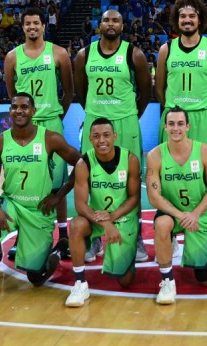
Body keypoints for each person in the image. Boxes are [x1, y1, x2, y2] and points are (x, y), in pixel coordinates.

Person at [0, 93, 82, 298]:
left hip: (39, 210)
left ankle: (53, 252)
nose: (18, 110)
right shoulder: (0, 142)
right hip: (11, 205)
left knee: (36, 278)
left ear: (33, 111)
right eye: (14, 107)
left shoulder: (50, 138)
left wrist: (59, 194)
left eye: (24, 107)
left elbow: (82, 164)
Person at [155, 0, 207, 265]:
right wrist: (172, 115)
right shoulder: (167, 49)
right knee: (169, 177)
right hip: (175, 120)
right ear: (176, 21)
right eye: (182, 17)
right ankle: (172, 234)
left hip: (205, 119)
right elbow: (160, 89)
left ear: (201, 19)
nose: (187, 20)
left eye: (192, 16)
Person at [74, 9, 152, 263]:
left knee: (131, 181)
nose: (111, 24)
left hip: (125, 123)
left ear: (123, 25)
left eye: (116, 20)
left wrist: (129, 116)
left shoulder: (134, 54)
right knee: (91, 180)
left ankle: (136, 237)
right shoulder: (84, 55)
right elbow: (80, 91)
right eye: (106, 20)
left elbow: (146, 92)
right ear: (99, 25)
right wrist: (97, 113)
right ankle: (94, 237)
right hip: (95, 123)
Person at [4, 7, 74, 260]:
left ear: (44, 26)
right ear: (22, 27)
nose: (32, 27)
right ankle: (23, 236)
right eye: (27, 23)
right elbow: (14, 95)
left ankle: (63, 236)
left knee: (57, 182)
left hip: (52, 122)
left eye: (36, 23)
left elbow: (69, 91)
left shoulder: (58, 53)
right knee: (27, 185)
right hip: (25, 127)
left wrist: (55, 116)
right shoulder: (12, 57)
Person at [146, 107, 207, 304]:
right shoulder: (155, 155)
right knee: (162, 224)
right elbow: (154, 197)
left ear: (188, 126)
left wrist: (195, 214)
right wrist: (182, 216)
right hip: (172, 212)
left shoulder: (204, 151)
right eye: (171, 124)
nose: (176, 128)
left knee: (205, 279)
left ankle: (200, 245)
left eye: (180, 124)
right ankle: (167, 281)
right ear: (165, 126)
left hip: (198, 214)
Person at [65, 118, 141, 307]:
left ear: (115, 136)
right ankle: (80, 283)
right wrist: (106, 224)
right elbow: (81, 204)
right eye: (96, 136)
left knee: (125, 280)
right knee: (76, 224)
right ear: (90, 138)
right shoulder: (84, 163)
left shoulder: (130, 160)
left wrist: (113, 218)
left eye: (106, 135)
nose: (102, 141)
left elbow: (134, 198)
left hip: (122, 218)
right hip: (97, 218)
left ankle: (127, 251)